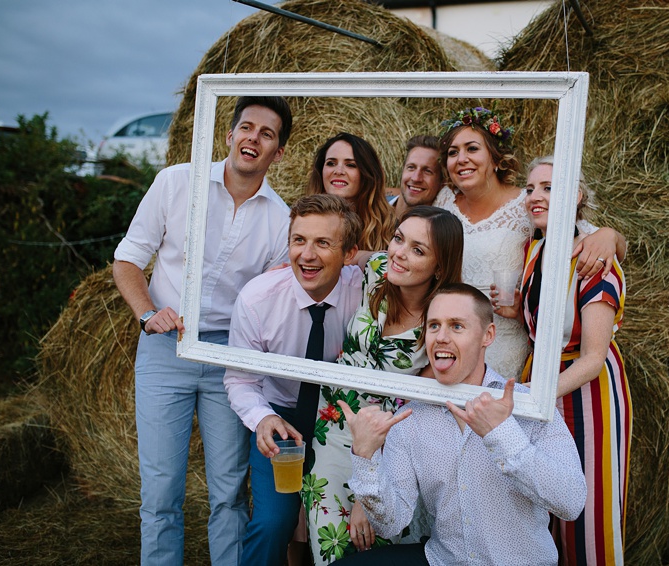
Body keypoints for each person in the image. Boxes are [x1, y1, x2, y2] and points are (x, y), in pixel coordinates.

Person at [113, 96, 295, 566]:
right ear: (230, 135)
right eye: (246, 128)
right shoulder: (176, 182)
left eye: (267, 134)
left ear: (278, 153)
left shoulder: (281, 220)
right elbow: (128, 259)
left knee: (229, 493)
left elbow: (271, 304)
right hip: (163, 348)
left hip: (228, 361)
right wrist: (146, 312)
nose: (253, 138)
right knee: (160, 492)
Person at [334, 284, 586, 566]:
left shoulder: (528, 408)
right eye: (434, 326)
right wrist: (366, 457)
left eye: (456, 326)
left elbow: (571, 501)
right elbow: (391, 523)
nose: (441, 337)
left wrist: (502, 435)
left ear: (487, 335)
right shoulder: (410, 420)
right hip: (443, 560)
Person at [305, 205, 463, 563]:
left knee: (376, 545)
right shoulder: (378, 269)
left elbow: (416, 410)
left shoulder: (440, 320)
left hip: (391, 447)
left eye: (417, 250)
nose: (399, 253)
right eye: (398, 239)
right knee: (328, 548)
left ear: (439, 267)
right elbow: (347, 254)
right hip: (331, 428)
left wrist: (367, 497)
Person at [499, 156, 630, 566]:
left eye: (549, 188)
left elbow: (593, 356)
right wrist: (515, 309)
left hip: (586, 393)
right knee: (537, 503)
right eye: (531, 188)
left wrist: (535, 396)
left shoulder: (594, 259)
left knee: (589, 511)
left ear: (575, 196)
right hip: (538, 377)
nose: (536, 196)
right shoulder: (534, 249)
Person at [223, 193, 364, 566]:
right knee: (272, 522)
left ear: (349, 253)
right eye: (299, 240)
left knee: (348, 524)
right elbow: (240, 380)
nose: (307, 254)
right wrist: (262, 418)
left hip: (342, 422)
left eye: (322, 242)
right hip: (281, 418)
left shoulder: (366, 293)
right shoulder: (257, 299)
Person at [432, 108, 625, 378]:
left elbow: (582, 232)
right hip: (449, 336)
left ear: (497, 159)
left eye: (472, 148)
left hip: (505, 340)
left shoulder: (528, 202)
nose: (461, 159)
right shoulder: (443, 201)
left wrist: (611, 235)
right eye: (453, 152)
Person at [307, 132, 394, 253]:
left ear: (367, 174)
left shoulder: (390, 228)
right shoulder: (300, 220)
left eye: (350, 165)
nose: (338, 171)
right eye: (331, 163)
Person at [392, 135, 444, 216]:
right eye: (411, 167)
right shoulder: (371, 208)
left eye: (427, 171)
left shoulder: (440, 227)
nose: (416, 178)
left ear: (442, 182)